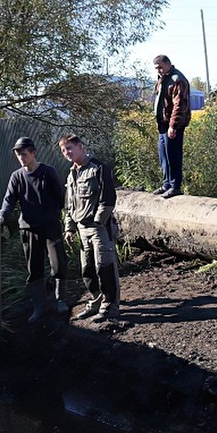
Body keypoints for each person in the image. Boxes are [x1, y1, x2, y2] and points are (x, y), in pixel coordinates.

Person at [0, 137, 68, 322]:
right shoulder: (17, 176)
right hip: (28, 228)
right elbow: (9, 199)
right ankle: (39, 307)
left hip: (50, 226)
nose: (21, 158)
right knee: (34, 269)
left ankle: (60, 300)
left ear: (34, 153)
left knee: (58, 264)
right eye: (18, 154)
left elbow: (61, 197)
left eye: (24, 154)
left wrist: (64, 218)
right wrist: (2, 216)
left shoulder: (48, 172)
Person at [60, 134, 120, 322]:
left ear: (80, 146)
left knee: (105, 268)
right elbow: (69, 204)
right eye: (63, 150)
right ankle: (96, 300)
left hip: (99, 229)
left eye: (69, 148)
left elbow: (108, 199)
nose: (66, 153)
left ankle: (110, 306)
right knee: (88, 270)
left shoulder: (99, 168)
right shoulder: (72, 174)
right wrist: (69, 228)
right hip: (81, 229)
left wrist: (98, 221)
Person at [151, 54, 191, 198]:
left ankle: (175, 186)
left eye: (161, 67)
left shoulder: (177, 80)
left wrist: (173, 125)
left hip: (173, 125)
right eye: (156, 68)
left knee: (173, 155)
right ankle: (166, 184)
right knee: (163, 156)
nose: (159, 70)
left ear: (168, 64)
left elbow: (179, 105)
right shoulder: (162, 80)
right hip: (162, 125)